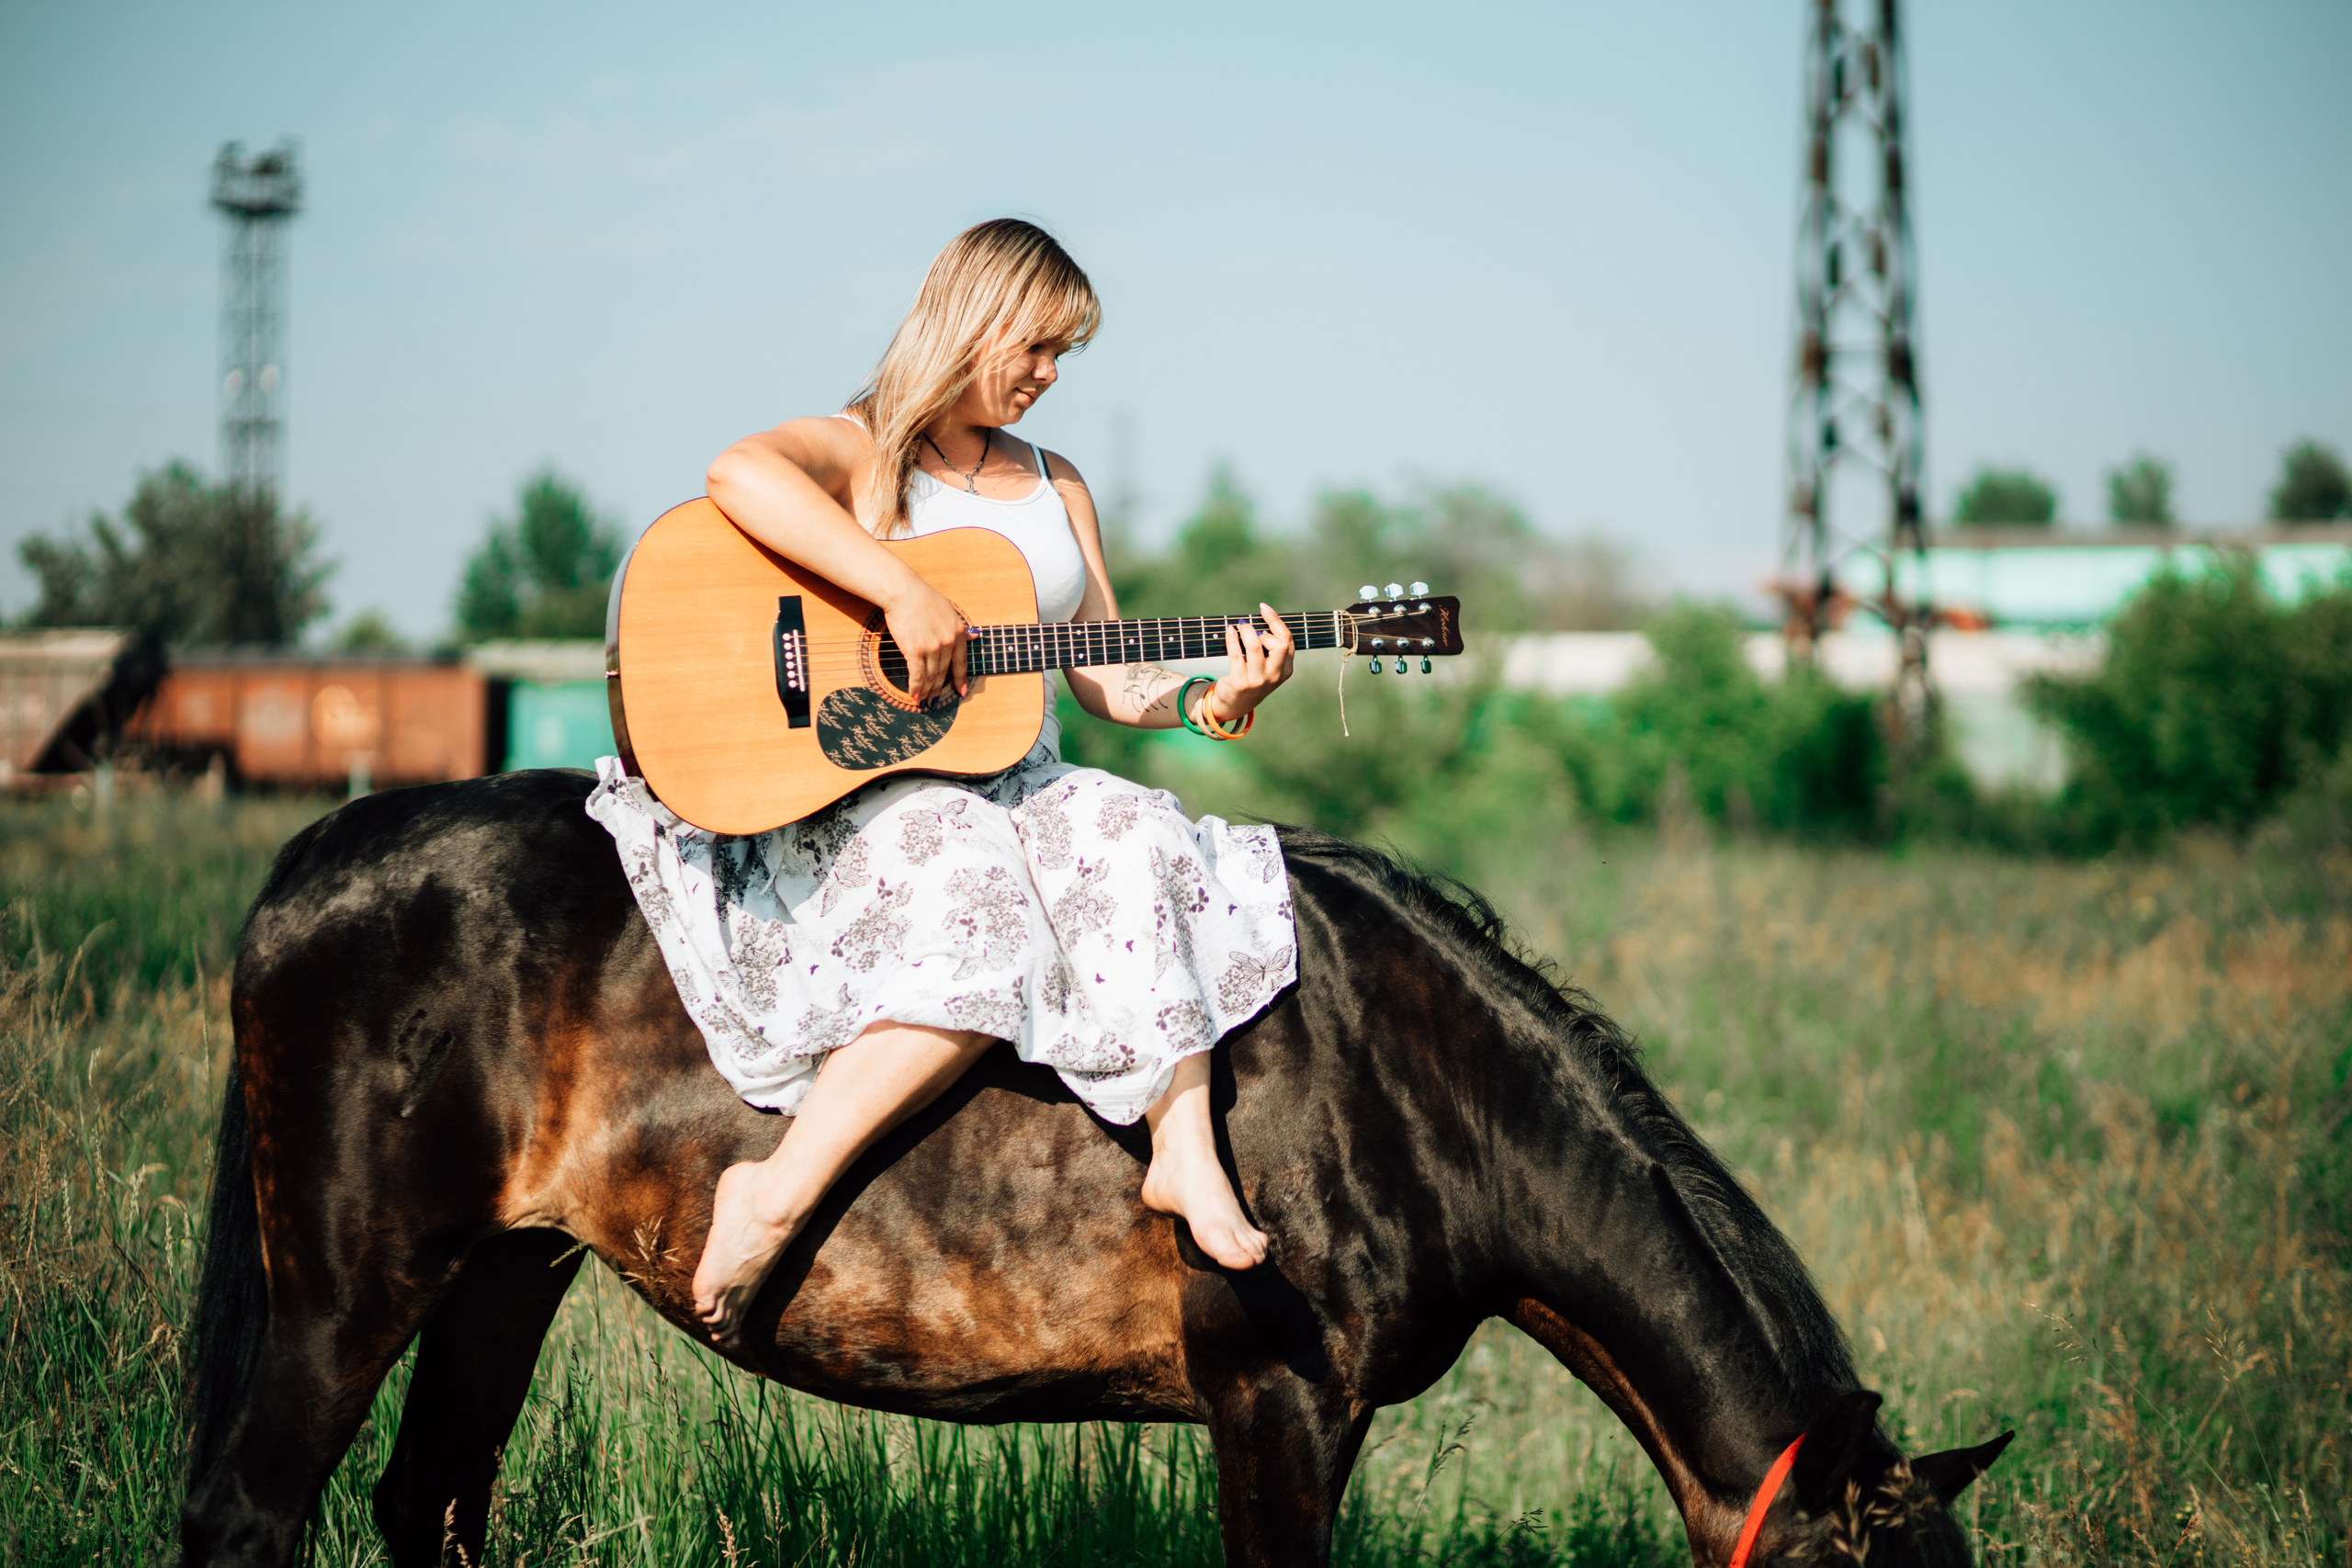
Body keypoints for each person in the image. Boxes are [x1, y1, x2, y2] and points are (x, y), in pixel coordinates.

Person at [584, 219, 1301, 1342]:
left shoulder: (1057, 483)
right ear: (973, 321)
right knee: (978, 893)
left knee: (1139, 828)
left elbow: (1104, 676)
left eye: (1065, 354)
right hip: (873, 786)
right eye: (1036, 346)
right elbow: (737, 473)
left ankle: (1183, 1148)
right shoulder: (862, 446)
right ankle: (775, 1192)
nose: (1049, 374)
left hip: (1019, 775)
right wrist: (901, 592)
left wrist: (1215, 697)